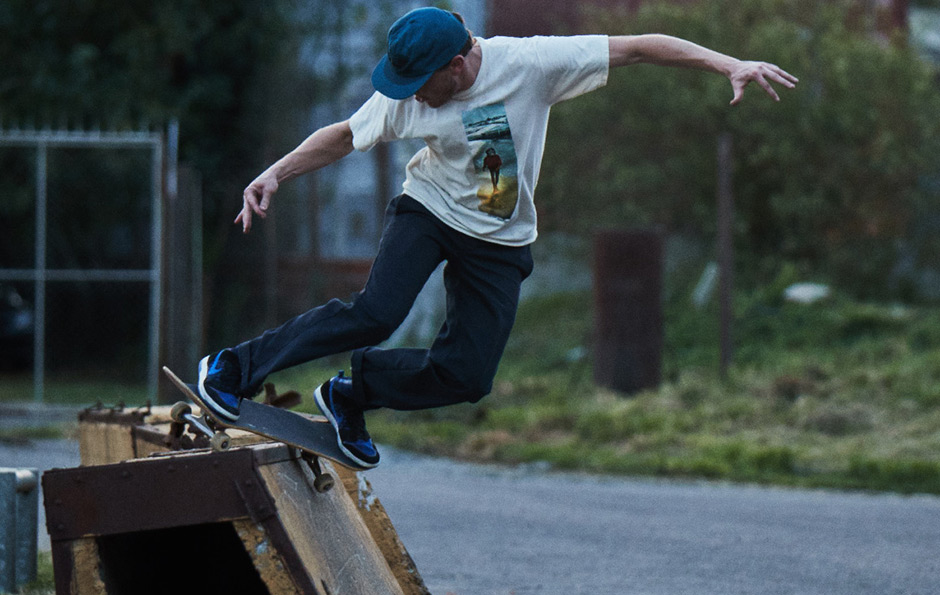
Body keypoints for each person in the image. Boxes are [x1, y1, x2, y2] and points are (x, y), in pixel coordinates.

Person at [196, 6, 797, 469]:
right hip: (427, 211)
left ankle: (352, 394)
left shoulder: (532, 64)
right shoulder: (406, 97)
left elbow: (638, 47)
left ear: (457, 65)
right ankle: (232, 368)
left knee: (468, 376)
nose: (411, 98)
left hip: (499, 238)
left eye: (423, 85)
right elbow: (344, 135)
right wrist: (275, 173)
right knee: (375, 314)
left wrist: (728, 63)